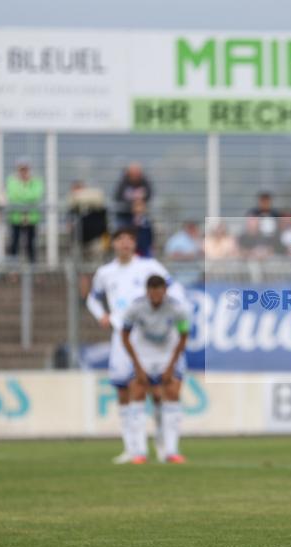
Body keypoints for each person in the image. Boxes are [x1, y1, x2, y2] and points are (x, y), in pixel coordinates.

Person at [86, 227, 187, 464]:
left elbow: (173, 289)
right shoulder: (105, 272)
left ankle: (165, 446)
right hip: (122, 334)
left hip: (150, 336)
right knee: (125, 390)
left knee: (161, 391)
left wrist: (170, 313)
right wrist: (101, 315)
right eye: (120, 240)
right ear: (113, 244)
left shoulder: (149, 267)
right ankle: (132, 448)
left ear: (134, 244)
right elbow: (92, 298)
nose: (125, 244)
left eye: (129, 239)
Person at [121, 275, 190, 464]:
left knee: (172, 391)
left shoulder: (177, 308)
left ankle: (171, 451)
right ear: (147, 291)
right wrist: (137, 365)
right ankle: (139, 452)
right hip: (143, 352)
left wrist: (171, 365)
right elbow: (125, 335)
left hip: (168, 351)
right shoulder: (135, 307)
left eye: (160, 291)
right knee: (137, 390)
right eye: (153, 291)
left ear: (165, 291)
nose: (156, 295)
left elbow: (184, 336)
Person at [6, 157, 43, 263]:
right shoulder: (12, 180)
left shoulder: (36, 180)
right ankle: (13, 269)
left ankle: (32, 269)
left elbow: (36, 195)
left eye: (25, 169)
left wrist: (23, 196)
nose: (23, 171)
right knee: (14, 244)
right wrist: (27, 199)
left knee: (31, 245)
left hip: (31, 218)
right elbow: (13, 195)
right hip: (16, 218)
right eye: (21, 169)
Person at [113, 162, 152, 226]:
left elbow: (149, 195)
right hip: (125, 215)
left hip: (141, 215)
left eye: (137, 173)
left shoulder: (144, 182)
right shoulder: (123, 184)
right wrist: (132, 205)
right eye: (133, 174)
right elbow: (117, 197)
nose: (135, 176)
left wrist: (140, 203)